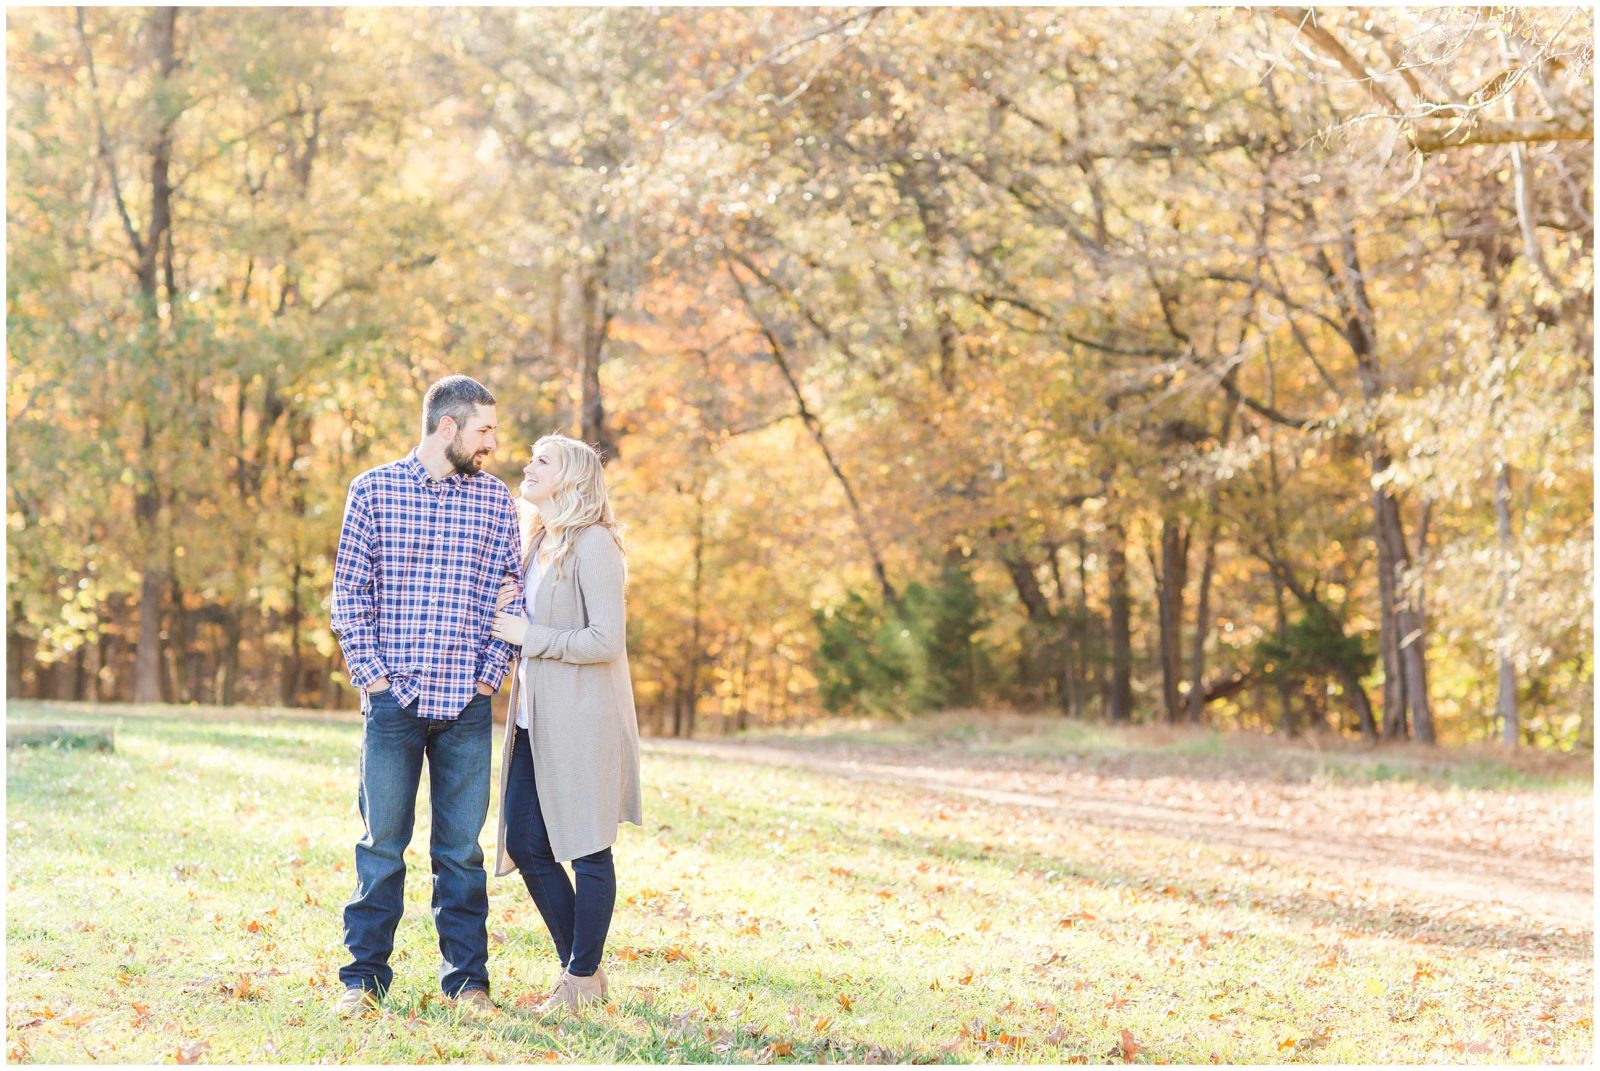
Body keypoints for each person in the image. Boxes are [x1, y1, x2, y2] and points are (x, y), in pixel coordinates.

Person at [328, 375, 524, 1018]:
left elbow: (509, 597)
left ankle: (468, 985)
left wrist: (488, 679)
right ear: (448, 427)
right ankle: (362, 981)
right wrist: (374, 679)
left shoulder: (496, 503)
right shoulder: (373, 491)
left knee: (461, 855)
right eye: (484, 429)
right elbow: (349, 596)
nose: (493, 442)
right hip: (394, 705)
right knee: (382, 846)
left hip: (466, 706)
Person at [489, 433, 643, 1015]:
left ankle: (577, 979)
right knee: (527, 841)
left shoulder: (595, 544)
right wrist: (512, 606)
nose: (527, 465)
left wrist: (532, 635)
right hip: (534, 719)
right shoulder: (537, 542)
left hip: (583, 718)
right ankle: (584, 970)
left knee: (587, 846)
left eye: (542, 460)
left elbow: (606, 640)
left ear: (573, 478)